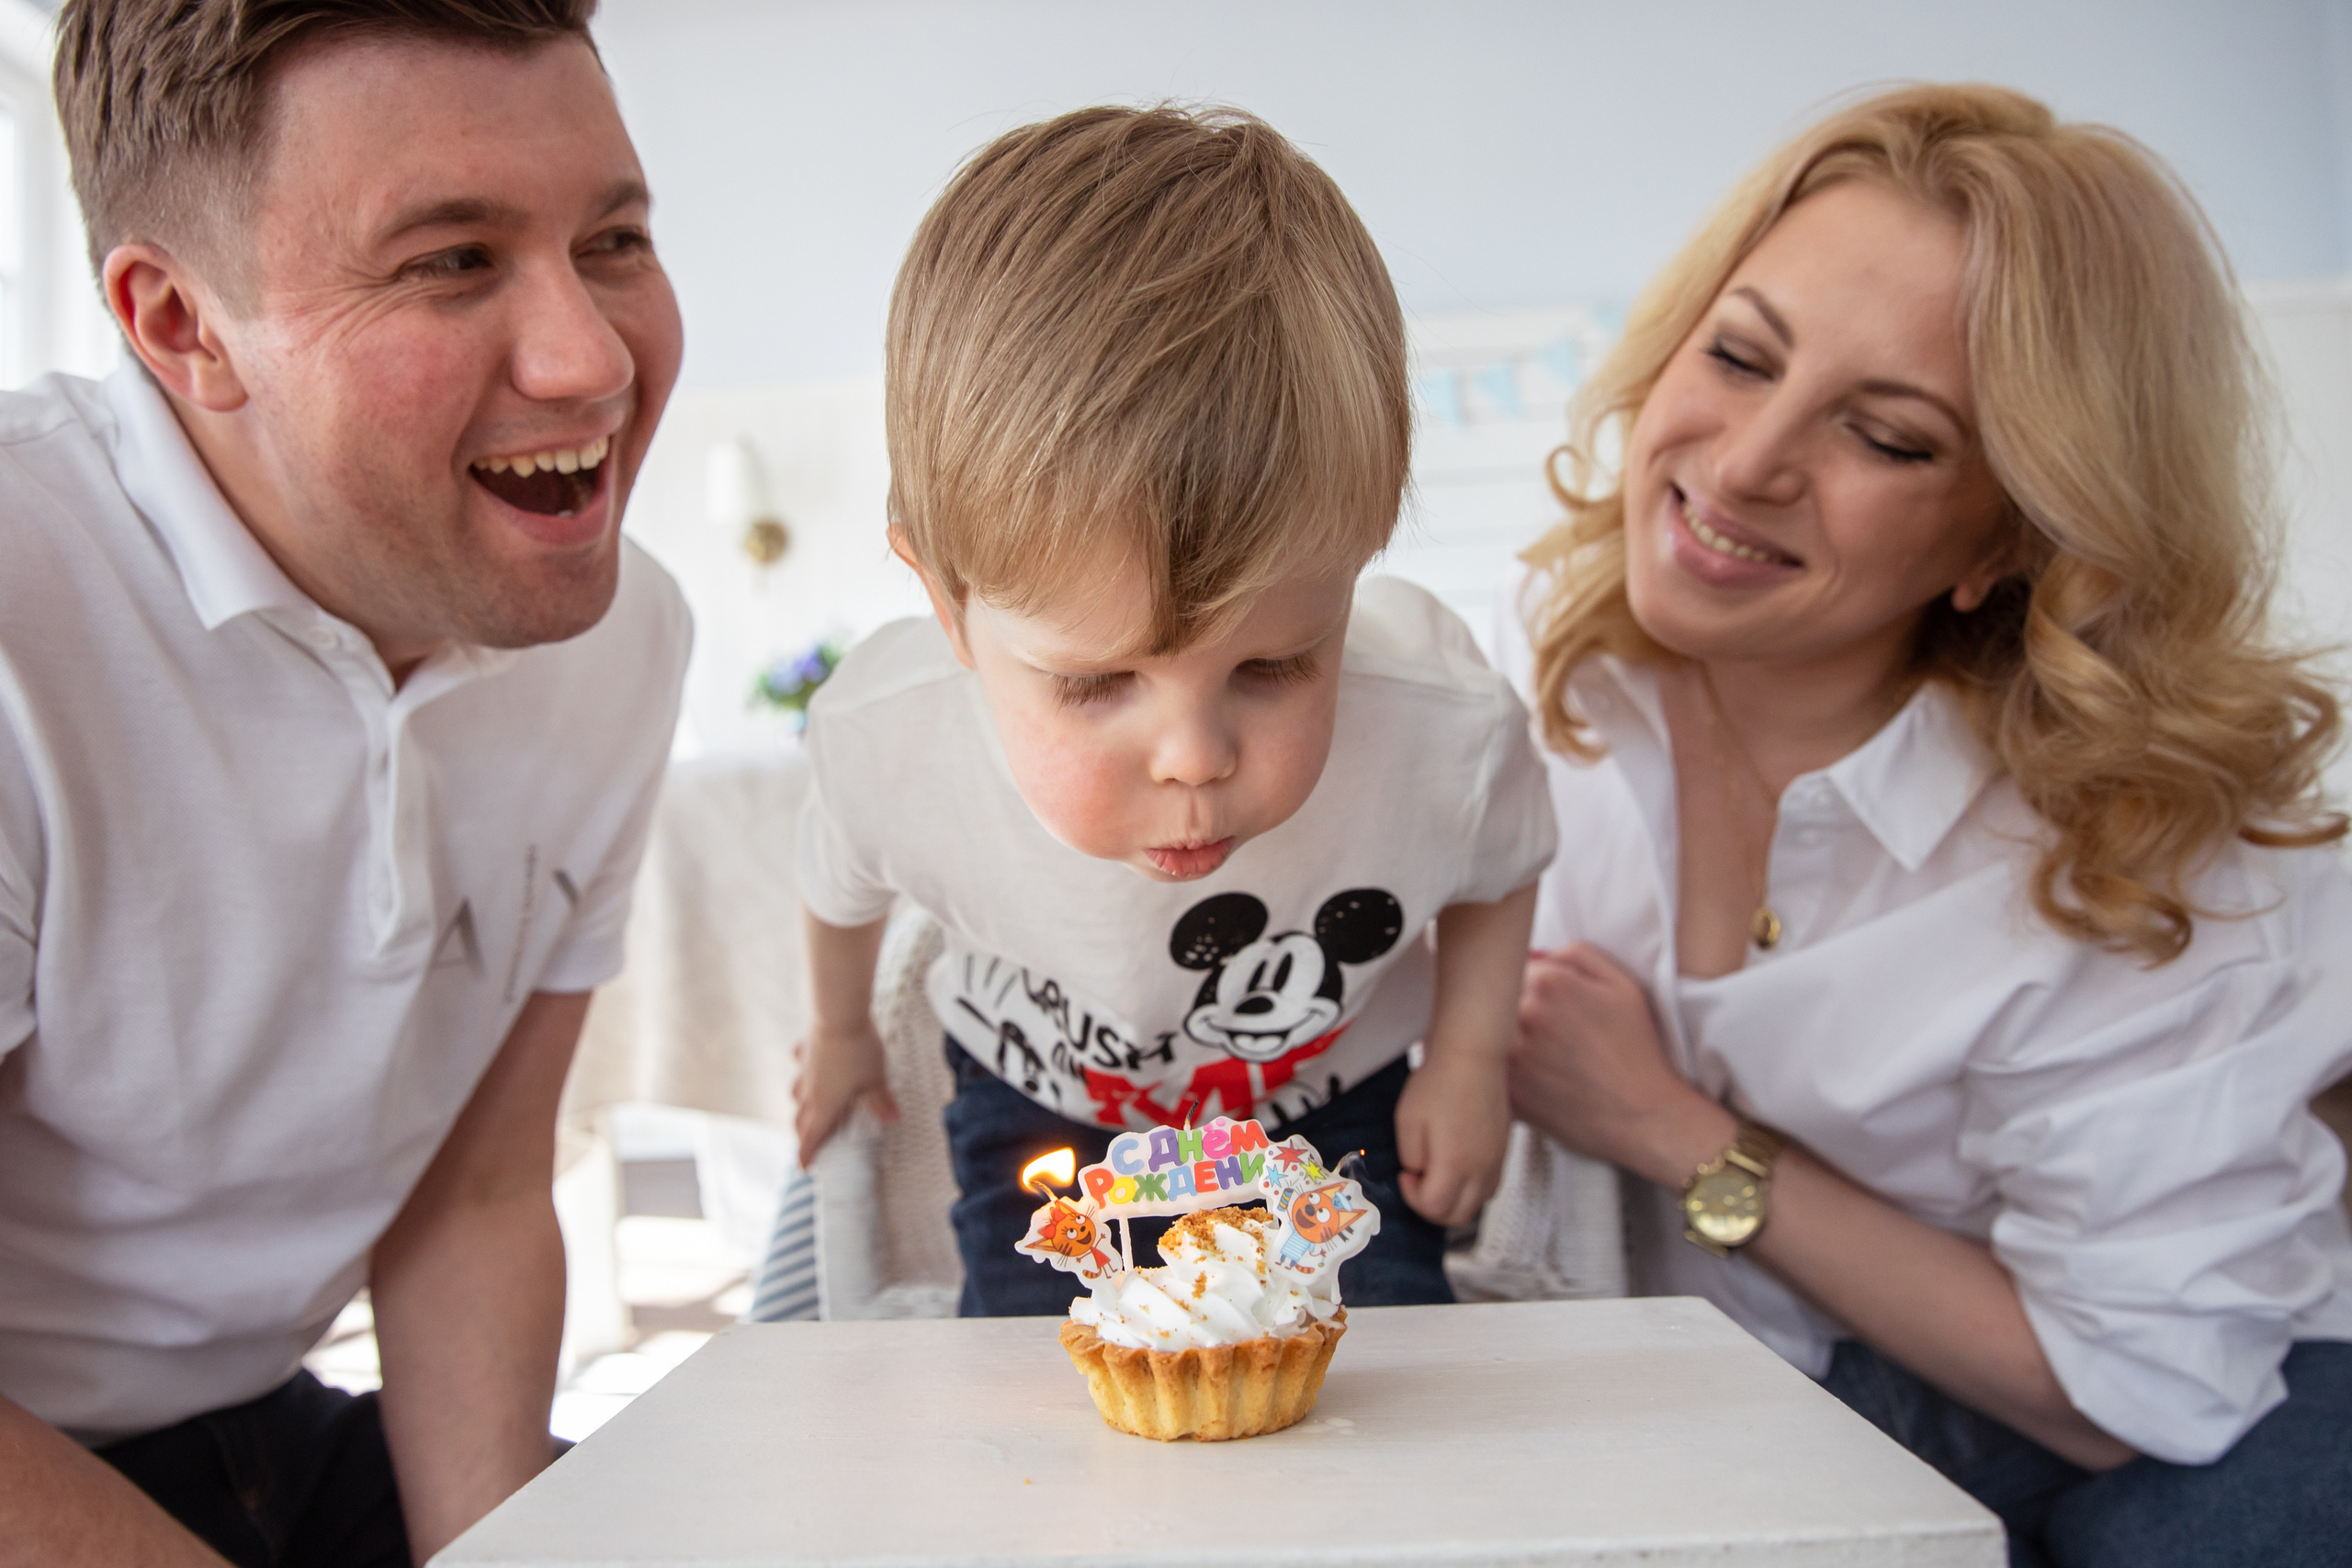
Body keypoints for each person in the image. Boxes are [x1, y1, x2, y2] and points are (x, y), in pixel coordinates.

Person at [1504, 84, 2352, 1567]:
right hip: (1825, 1389)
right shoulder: (1560, 687)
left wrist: (1678, 1132)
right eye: (1740, 353)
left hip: (2210, 1412)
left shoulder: (2122, 862)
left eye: (1887, 438)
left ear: (2012, 534)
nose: (1747, 462)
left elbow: (2133, 1389)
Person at [0, 2, 689, 1563]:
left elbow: (477, 1199)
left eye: (616, 238)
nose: (589, 357)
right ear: (180, 322)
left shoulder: (623, 632)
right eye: (452, 260)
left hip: (267, 1423)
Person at [789, 106, 1555, 1315]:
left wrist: (1467, 1057)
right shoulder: (888, 739)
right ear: (946, 602)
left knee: (1386, 1381)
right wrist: (838, 1032)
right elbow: (839, 889)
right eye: (1098, 684)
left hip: (1325, 1099)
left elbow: (1499, 865)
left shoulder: (1441, 726)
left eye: (1277, 665)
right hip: (1045, 1105)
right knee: (1041, 1393)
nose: (1197, 758)